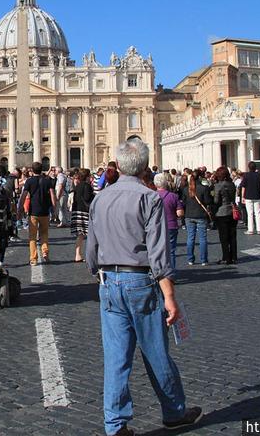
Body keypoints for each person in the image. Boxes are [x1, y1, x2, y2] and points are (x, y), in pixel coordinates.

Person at [86, 141, 202, 434]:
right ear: (146, 166)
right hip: (140, 281)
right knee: (155, 352)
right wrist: (170, 296)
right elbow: (159, 254)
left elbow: (91, 249)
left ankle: (115, 424)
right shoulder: (149, 199)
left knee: (115, 358)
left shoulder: (99, 199)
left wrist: (99, 274)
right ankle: (175, 411)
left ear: (117, 164)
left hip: (108, 282)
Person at [17, 161, 57, 265]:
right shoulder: (47, 181)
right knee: (44, 233)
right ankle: (45, 252)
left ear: (32, 170)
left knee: (32, 236)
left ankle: (33, 259)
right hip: (45, 211)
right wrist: (54, 208)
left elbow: (23, 195)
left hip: (33, 211)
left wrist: (20, 208)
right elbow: (53, 195)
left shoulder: (29, 181)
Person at [180, 168, 211, 266]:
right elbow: (208, 201)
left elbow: (183, 203)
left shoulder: (186, 189)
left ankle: (190, 259)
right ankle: (203, 260)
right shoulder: (204, 188)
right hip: (201, 215)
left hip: (189, 215)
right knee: (202, 238)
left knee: (190, 238)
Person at [154, 172, 183, 269]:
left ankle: (159, 271)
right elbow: (180, 213)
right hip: (171, 225)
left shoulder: (151, 196)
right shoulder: (173, 196)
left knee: (157, 250)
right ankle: (171, 273)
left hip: (156, 226)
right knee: (171, 251)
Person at [212, 166, 238, 264]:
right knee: (232, 236)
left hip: (221, 213)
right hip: (232, 211)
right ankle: (234, 256)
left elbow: (216, 201)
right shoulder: (232, 184)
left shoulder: (218, 185)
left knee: (224, 237)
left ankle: (226, 257)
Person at [70, 168, 95, 262]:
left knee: (80, 235)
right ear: (87, 177)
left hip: (76, 211)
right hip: (84, 212)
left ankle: (78, 254)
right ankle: (90, 255)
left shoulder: (77, 186)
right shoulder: (87, 186)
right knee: (90, 235)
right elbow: (87, 198)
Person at [239, 161, 260, 234]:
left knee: (250, 213)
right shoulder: (258, 175)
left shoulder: (246, 175)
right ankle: (259, 229)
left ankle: (251, 230)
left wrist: (242, 197)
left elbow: (243, 187)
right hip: (257, 195)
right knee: (258, 213)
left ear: (248, 167)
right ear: (255, 167)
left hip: (248, 196)